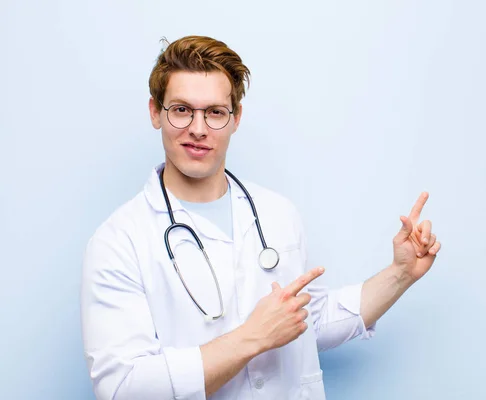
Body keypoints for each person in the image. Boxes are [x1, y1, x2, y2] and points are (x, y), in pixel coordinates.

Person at [80, 35, 441, 400]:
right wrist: (252, 338)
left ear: (236, 118)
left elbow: (309, 322)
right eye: (181, 109)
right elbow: (122, 388)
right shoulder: (119, 241)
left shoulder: (277, 213)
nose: (199, 129)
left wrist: (401, 274)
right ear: (156, 112)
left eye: (215, 112)